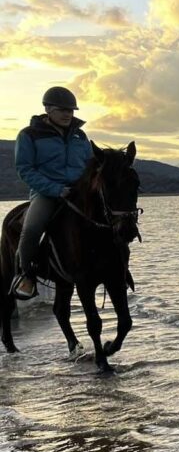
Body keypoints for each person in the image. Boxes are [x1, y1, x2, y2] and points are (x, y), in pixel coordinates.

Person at [11, 86, 93, 300]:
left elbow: (91, 164)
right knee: (32, 229)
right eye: (62, 110)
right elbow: (25, 169)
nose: (68, 114)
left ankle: (117, 268)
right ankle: (26, 276)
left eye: (71, 110)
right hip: (46, 193)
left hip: (78, 193)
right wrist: (56, 190)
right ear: (47, 109)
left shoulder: (79, 135)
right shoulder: (29, 135)